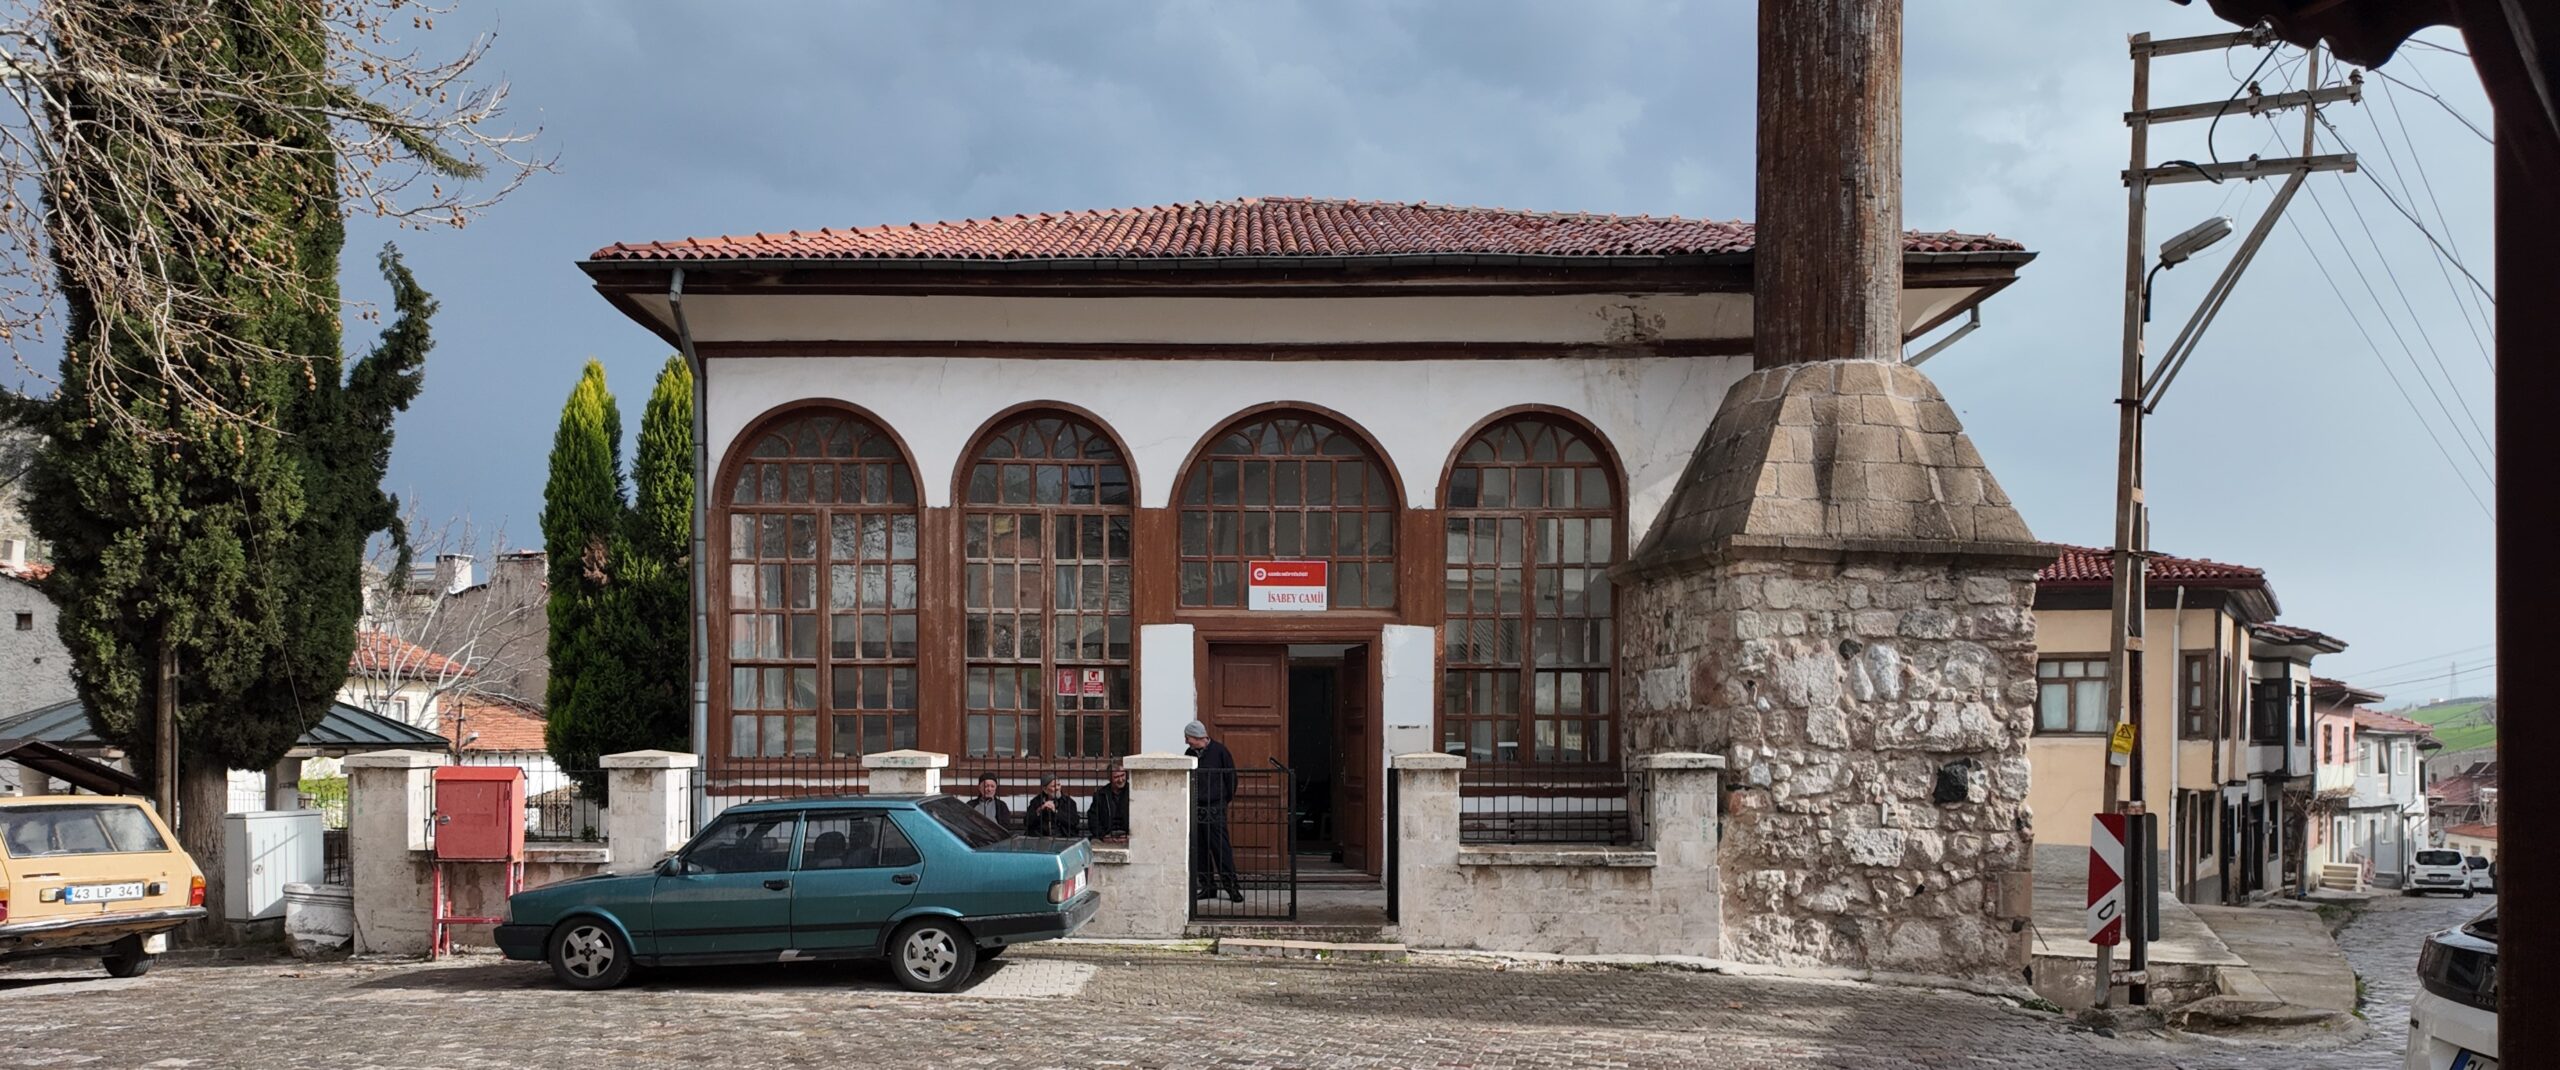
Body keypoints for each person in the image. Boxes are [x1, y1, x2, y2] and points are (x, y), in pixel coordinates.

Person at [1185, 720, 1242, 903]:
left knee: (1220, 848)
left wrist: (1222, 801)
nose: (1186, 742)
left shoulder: (1220, 751)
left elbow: (1231, 778)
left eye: (1188, 738)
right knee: (1200, 849)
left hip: (1215, 806)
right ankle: (1207, 887)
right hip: (1196, 807)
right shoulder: (1189, 754)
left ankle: (1232, 887)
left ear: (1198, 737)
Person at [1025, 772, 1082, 838]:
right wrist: (1040, 810)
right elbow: (1027, 822)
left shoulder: (1068, 802)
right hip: (1040, 838)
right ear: (1045, 789)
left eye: (1058, 785)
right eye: (1053, 786)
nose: (1057, 788)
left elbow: (1074, 821)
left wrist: (1055, 811)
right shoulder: (1036, 801)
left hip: (1063, 837)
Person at [1085, 765, 1132, 841]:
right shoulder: (1101, 795)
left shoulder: (1133, 793)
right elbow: (1093, 819)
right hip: (1106, 835)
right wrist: (1104, 836)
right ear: (1109, 778)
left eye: (1122, 775)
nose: (1120, 780)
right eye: (1116, 777)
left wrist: (1130, 836)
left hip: (1129, 836)